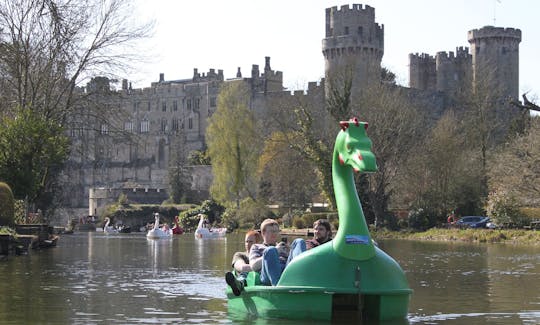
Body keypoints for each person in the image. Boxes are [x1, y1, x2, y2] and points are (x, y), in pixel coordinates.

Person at [248, 218, 289, 286]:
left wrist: (290, 252)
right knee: (271, 250)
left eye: (276, 231)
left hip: (286, 272)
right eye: (272, 231)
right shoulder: (256, 247)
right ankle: (277, 286)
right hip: (267, 276)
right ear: (263, 233)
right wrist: (276, 250)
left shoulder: (282, 246)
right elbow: (253, 266)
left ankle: (302, 281)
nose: (275, 234)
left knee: (299, 242)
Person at [225, 230, 263, 296]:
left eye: (251, 242)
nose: (247, 244)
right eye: (246, 242)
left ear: (258, 243)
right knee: (245, 272)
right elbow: (242, 267)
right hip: (245, 280)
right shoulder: (240, 255)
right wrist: (257, 266)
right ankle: (238, 284)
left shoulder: (262, 255)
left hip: (260, 280)